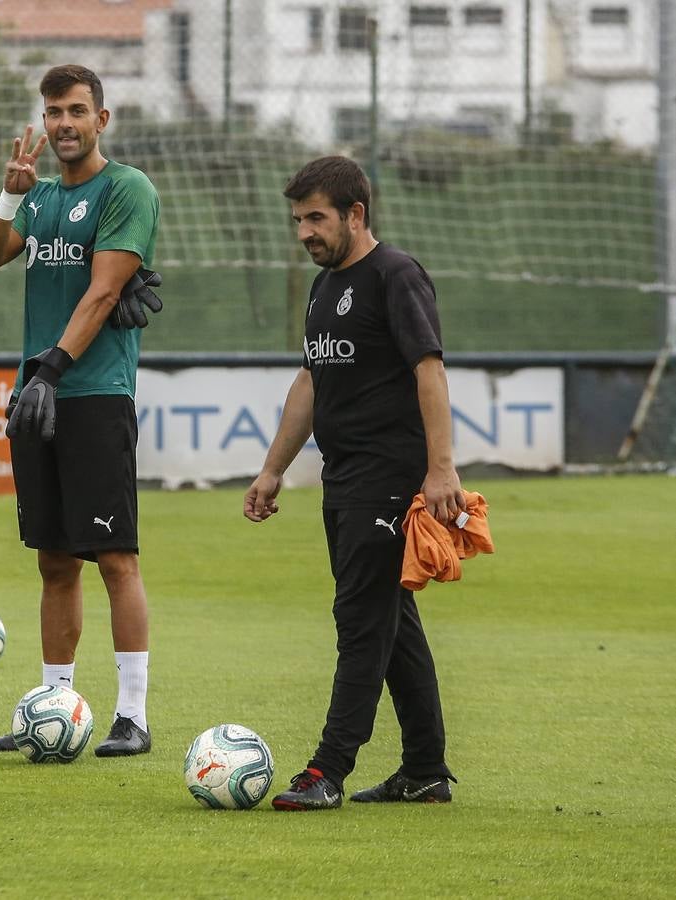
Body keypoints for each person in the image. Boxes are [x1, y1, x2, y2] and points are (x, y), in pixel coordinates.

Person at [243, 155, 463, 810]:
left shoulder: (395, 276)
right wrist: (273, 468)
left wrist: (441, 468)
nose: (304, 232)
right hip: (343, 480)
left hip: (387, 478)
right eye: (297, 220)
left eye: (315, 218)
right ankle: (424, 768)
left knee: (361, 620)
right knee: (393, 623)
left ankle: (327, 769)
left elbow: (429, 371)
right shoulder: (322, 287)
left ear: (354, 214)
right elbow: (311, 380)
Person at [0, 64, 163, 757]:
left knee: (114, 557)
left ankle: (131, 717)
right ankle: (54, 707)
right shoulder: (40, 196)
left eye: (76, 111)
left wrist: (49, 368)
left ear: (101, 119)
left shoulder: (125, 187)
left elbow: (104, 294)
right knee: (54, 560)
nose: (63, 124)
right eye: (53, 112)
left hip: (92, 394)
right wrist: (7, 196)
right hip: (37, 397)